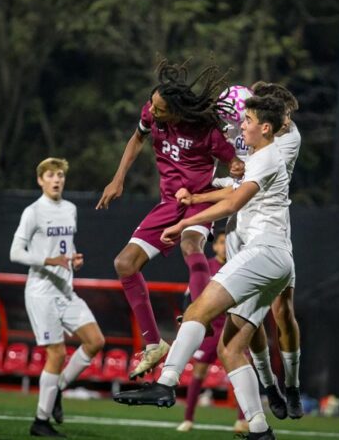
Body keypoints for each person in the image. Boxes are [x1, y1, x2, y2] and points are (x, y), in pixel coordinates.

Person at [113, 95, 293, 440]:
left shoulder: (267, 158)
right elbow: (230, 188)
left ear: (265, 128)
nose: (242, 125)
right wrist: (195, 198)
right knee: (230, 349)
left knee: (197, 311)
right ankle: (259, 429)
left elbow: (234, 202)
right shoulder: (261, 158)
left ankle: (165, 384)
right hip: (275, 258)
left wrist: (184, 223)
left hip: (262, 254)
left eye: (248, 120)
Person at [96, 60, 242, 379]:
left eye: (159, 108)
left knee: (191, 244)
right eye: (152, 104)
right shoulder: (152, 114)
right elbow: (137, 138)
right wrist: (118, 178)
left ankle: (201, 317)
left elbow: (237, 165)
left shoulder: (207, 133)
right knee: (124, 264)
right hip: (167, 203)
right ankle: (153, 345)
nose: (151, 110)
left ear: (176, 111)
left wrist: (236, 168)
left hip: (197, 201)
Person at [11, 158, 105, 438]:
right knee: (57, 353)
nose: (56, 180)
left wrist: (72, 258)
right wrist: (48, 259)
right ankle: (40, 421)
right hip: (41, 293)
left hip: (65, 291)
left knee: (96, 341)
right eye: (51, 175)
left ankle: (58, 388)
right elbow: (15, 252)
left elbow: (66, 245)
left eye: (60, 175)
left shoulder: (70, 209)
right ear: (40, 180)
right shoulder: (33, 212)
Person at [246, 82, 303, 420]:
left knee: (282, 310)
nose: (289, 120)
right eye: (286, 114)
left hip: (273, 227)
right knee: (249, 316)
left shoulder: (288, 139)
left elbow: (245, 176)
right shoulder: (250, 123)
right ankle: (269, 385)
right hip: (241, 229)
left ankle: (292, 383)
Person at [176, 230, 248, 434]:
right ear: (215, 245)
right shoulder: (204, 266)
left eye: (229, 242)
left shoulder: (241, 267)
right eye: (222, 242)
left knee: (240, 370)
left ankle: (243, 419)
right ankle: (188, 419)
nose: (225, 246)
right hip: (210, 327)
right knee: (199, 371)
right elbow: (189, 296)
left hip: (233, 326)